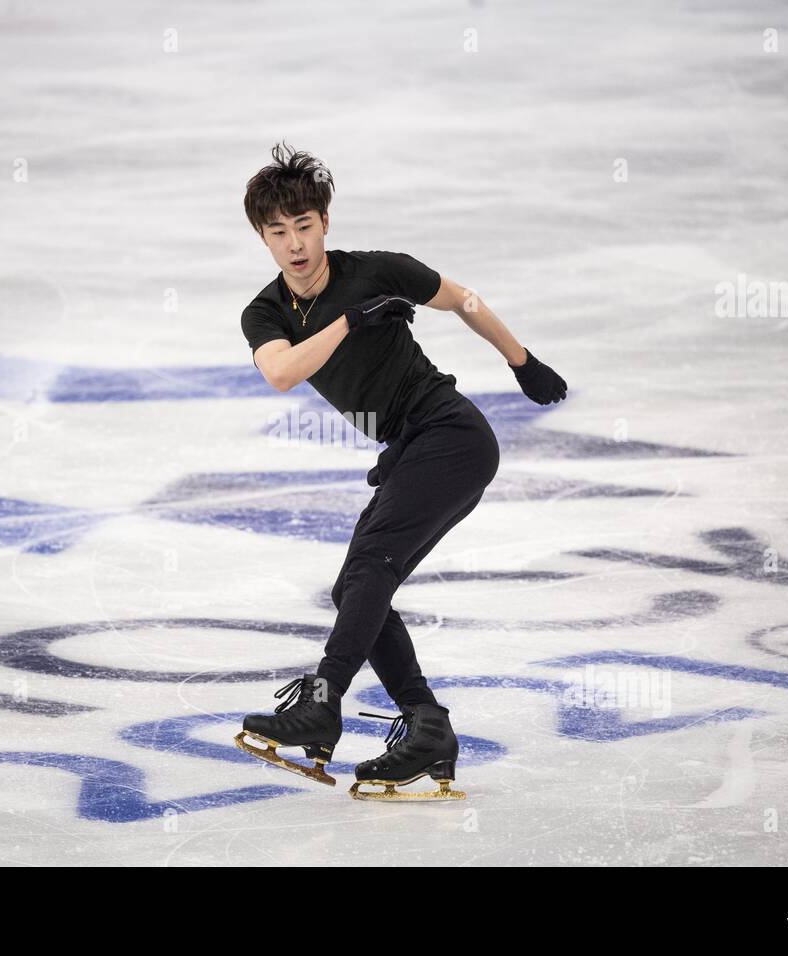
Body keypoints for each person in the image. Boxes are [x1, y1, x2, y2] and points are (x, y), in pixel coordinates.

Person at [232, 143, 568, 800]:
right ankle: (427, 727)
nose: (295, 244)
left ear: (324, 222)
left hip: (451, 435)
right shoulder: (265, 313)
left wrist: (521, 362)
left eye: (304, 226)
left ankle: (323, 703)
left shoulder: (378, 270)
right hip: (408, 449)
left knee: (368, 574)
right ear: (263, 239)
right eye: (279, 233)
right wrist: (351, 324)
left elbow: (459, 298)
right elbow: (281, 372)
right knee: (357, 591)